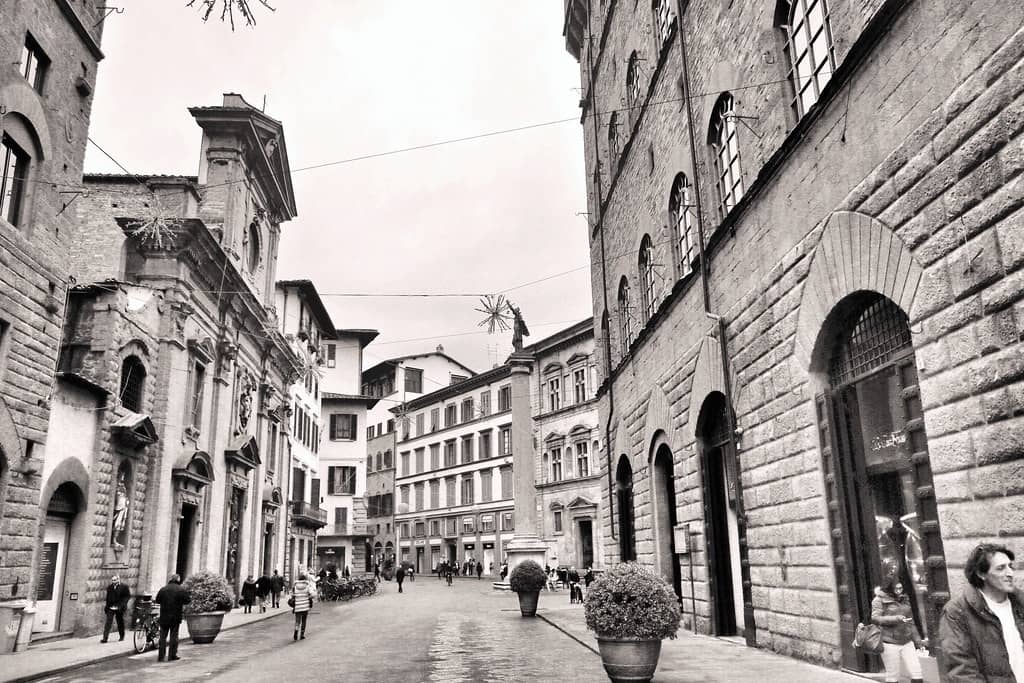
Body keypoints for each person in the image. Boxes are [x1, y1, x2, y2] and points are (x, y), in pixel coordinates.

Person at [941, 543, 1024, 682]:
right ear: (981, 574)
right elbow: (961, 670)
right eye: (1001, 568)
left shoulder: (1020, 602)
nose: (1010, 573)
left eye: (1010, 566)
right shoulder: (957, 612)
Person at [871, 576, 925, 683]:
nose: (899, 591)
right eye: (896, 589)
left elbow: (911, 622)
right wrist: (896, 619)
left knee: (917, 673)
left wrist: (918, 642)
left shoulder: (904, 598)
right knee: (893, 676)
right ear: (889, 588)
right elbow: (875, 618)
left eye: (901, 588)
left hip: (907, 641)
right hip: (889, 643)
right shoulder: (878, 600)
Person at [154, 574, 190, 663]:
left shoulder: (163, 589)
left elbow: (157, 600)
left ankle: (161, 656)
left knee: (162, 637)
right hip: (175, 616)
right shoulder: (181, 589)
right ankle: (172, 655)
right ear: (178, 580)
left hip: (164, 616)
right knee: (174, 636)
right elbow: (187, 600)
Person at [100, 574, 131, 643]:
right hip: (111, 607)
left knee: (120, 622)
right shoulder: (110, 587)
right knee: (108, 622)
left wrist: (122, 605)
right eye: (112, 580)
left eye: (115, 580)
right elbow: (108, 598)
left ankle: (122, 636)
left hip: (119, 607)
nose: (113, 581)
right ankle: (105, 638)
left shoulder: (124, 587)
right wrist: (107, 607)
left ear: (118, 580)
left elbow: (127, 596)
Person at [291, 572, 314, 641]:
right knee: (304, 620)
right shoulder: (307, 585)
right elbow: (313, 595)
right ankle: (302, 634)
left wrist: (296, 596)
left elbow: (292, 595)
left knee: (297, 621)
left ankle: (296, 631)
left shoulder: (295, 585)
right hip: (305, 606)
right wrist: (308, 597)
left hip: (297, 606)